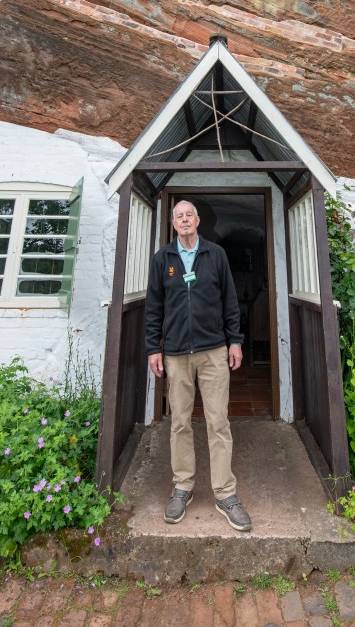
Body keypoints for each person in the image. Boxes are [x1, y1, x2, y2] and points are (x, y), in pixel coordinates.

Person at [145, 199, 252, 532]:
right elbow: (154, 306)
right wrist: (153, 348)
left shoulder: (215, 255)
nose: (184, 219)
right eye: (179, 216)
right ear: (173, 224)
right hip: (175, 353)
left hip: (213, 351)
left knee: (218, 421)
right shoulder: (162, 259)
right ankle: (183, 487)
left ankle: (225, 493)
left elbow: (229, 300)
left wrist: (235, 340)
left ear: (198, 220)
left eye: (189, 214)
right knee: (179, 422)